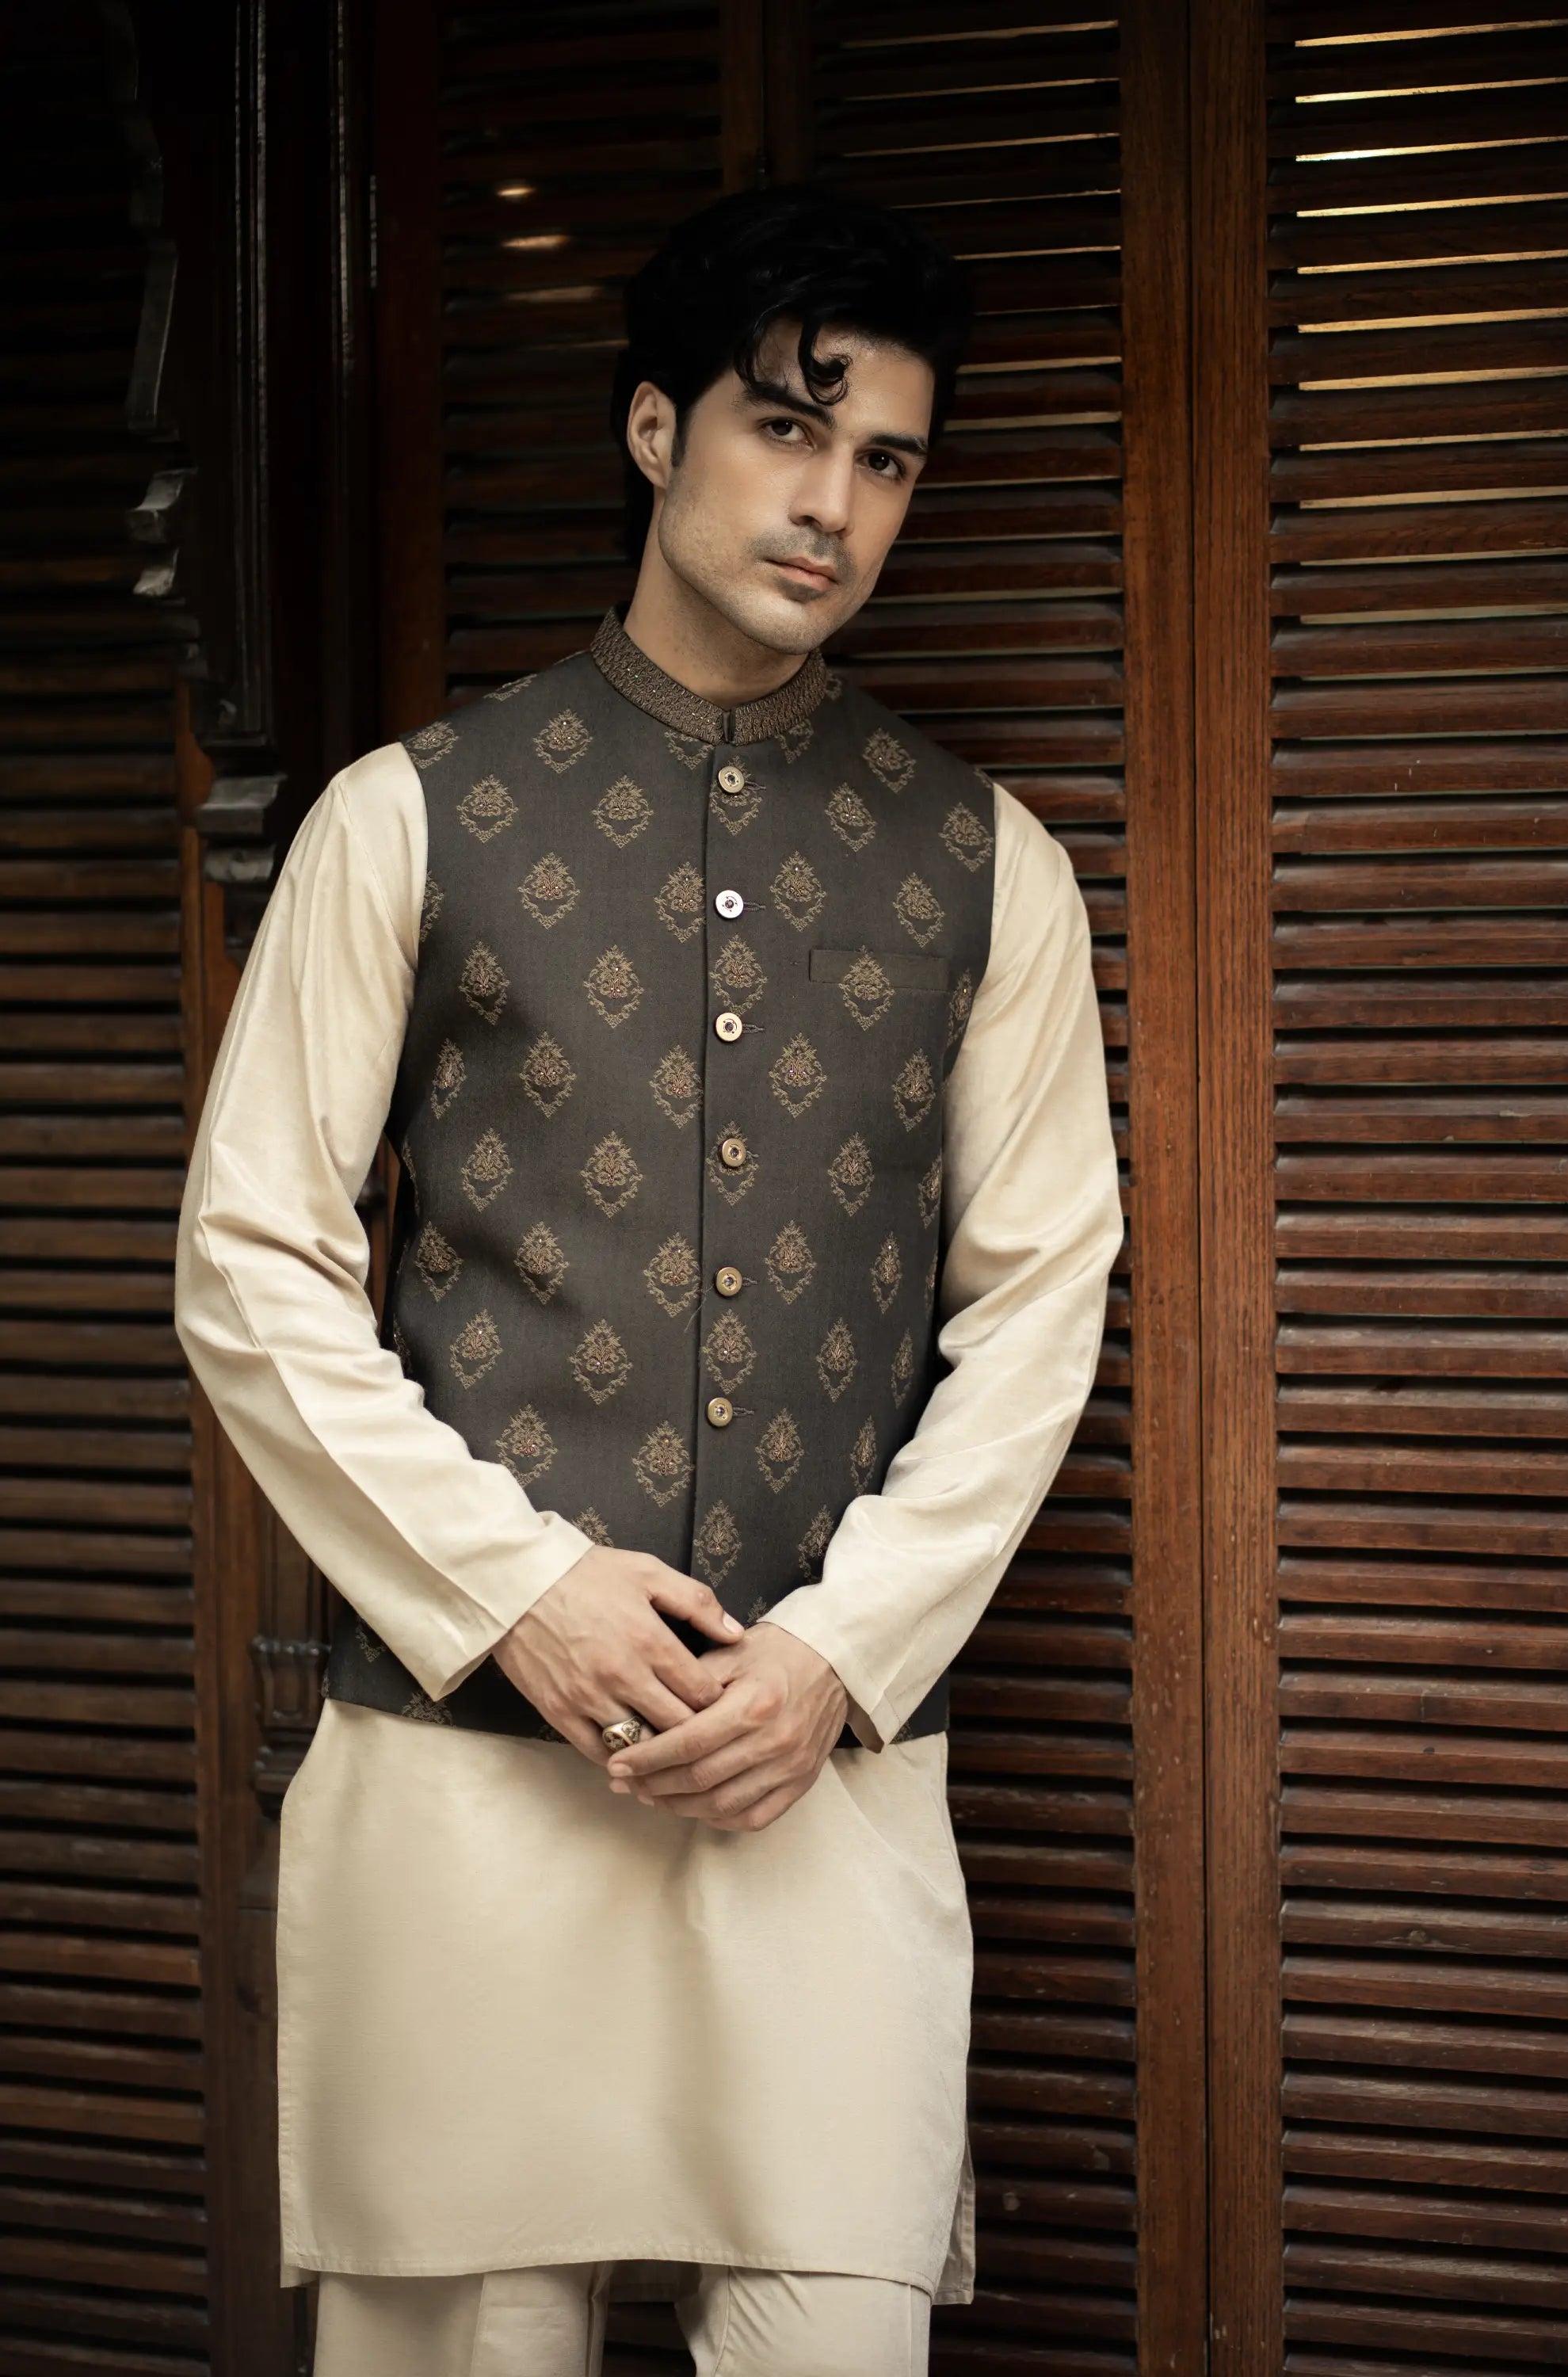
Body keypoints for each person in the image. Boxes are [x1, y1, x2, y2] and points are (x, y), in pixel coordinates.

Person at [174, 182, 1124, 2377]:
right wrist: (516, 1589)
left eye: (887, 459)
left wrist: (839, 1658)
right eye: (792, 430)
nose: (835, 503)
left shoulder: (991, 866)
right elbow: (252, 1262)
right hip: (465, 1783)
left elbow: (1040, 1309)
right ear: (650, 426)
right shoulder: (402, 821)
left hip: (828, 1783)